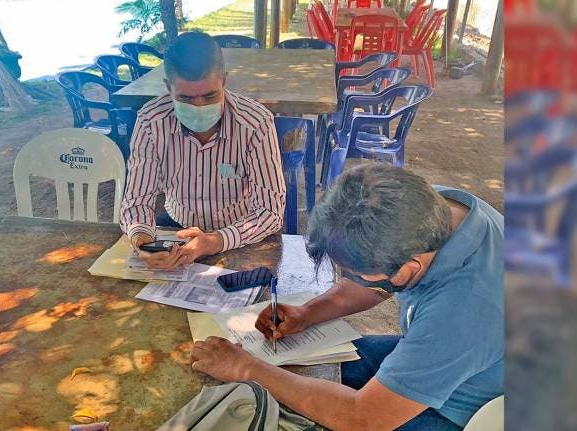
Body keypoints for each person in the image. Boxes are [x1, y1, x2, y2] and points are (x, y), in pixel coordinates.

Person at [191, 164, 504, 431]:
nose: (351, 281)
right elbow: (380, 282)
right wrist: (307, 313)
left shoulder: (460, 312)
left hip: (474, 411)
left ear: (410, 267)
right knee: (302, 369)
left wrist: (247, 369)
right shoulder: (426, 209)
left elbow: (362, 419)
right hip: (469, 360)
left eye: (357, 274)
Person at [119, 31, 286, 270]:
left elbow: (270, 212)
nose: (199, 106)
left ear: (224, 82)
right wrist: (143, 241)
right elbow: (136, 201)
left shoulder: (255, 123)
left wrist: (214, 241)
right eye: (185, 98)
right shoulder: (151, 123)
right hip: (178, 226)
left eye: (210, 96)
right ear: (168, 88)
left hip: (239, 231)